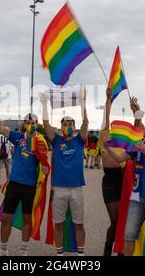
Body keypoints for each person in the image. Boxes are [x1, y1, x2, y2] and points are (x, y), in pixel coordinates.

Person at [101, 89, 145, 256]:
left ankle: (122, 251)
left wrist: (136, 111)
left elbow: (139, 131)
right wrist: (109, 101)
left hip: (125, 180)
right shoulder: (106, 137)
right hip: (110, 182)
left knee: (125, 221)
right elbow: (106, 119)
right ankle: (108, 246)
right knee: (115, 222)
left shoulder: (126, 141)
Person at [0, 105, 49, 256]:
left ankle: (23, 250)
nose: (31, 125)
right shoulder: (17, 137)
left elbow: (45, 164)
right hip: (15, 183)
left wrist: (45, 170)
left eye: (33, 122)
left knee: (26, 218)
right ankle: (3, 249)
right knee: (6, 217)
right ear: (25, 124)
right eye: (28, 122)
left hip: (30, 186)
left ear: (37, 125)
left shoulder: (40, 142)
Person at [41, 90, 88, 256]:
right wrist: (44, 104)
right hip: (59, 188)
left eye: (70, 124)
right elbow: (46, 125)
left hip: (76, 188)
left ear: (74, 127)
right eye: (65, 124)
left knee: (79, 224)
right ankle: (59, 254)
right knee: (58, 224)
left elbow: (86, 123)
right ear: (61, 127)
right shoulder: (56, 141)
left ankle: (79, 255)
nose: (67, 126)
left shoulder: (79, 140)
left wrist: (83, 103)